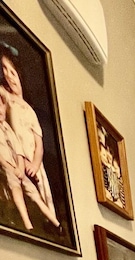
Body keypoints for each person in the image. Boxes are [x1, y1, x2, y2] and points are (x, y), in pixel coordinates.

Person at [0, 45, 60, 228]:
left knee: (42, 195)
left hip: (34, 164)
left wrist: (34, 163)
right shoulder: (7, 100)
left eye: (13, 71)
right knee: (25, 195)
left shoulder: (30, 110)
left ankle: (51, 225)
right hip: (17, 159)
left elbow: (39, 144)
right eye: (5, 70)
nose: (10, 75)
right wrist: (23, 162)